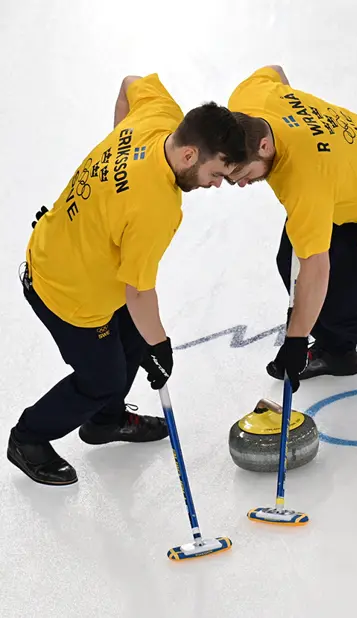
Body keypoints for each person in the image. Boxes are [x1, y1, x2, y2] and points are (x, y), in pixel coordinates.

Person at [8, 74, 248, 486]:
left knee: (133, 340)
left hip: (74, 251)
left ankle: (106, 421)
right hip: (66, 290)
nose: (215, 185)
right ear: (189, 154)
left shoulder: (159, 116)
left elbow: (130, 83)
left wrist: (118, 166)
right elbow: (138, 292)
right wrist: (162, 346)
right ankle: (28, 438)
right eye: (216, 174)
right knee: (102, 380)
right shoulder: (155, 206)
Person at [225, 65, 357, 401]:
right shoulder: (249, 98)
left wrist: (295, 341)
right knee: (287, 263)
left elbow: (315, 270)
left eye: (243, 173)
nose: (242, 183)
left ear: (264, 145)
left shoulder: (304, 182)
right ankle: (337, 351)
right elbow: (274, 71)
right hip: (340, 183)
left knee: (339, 306)